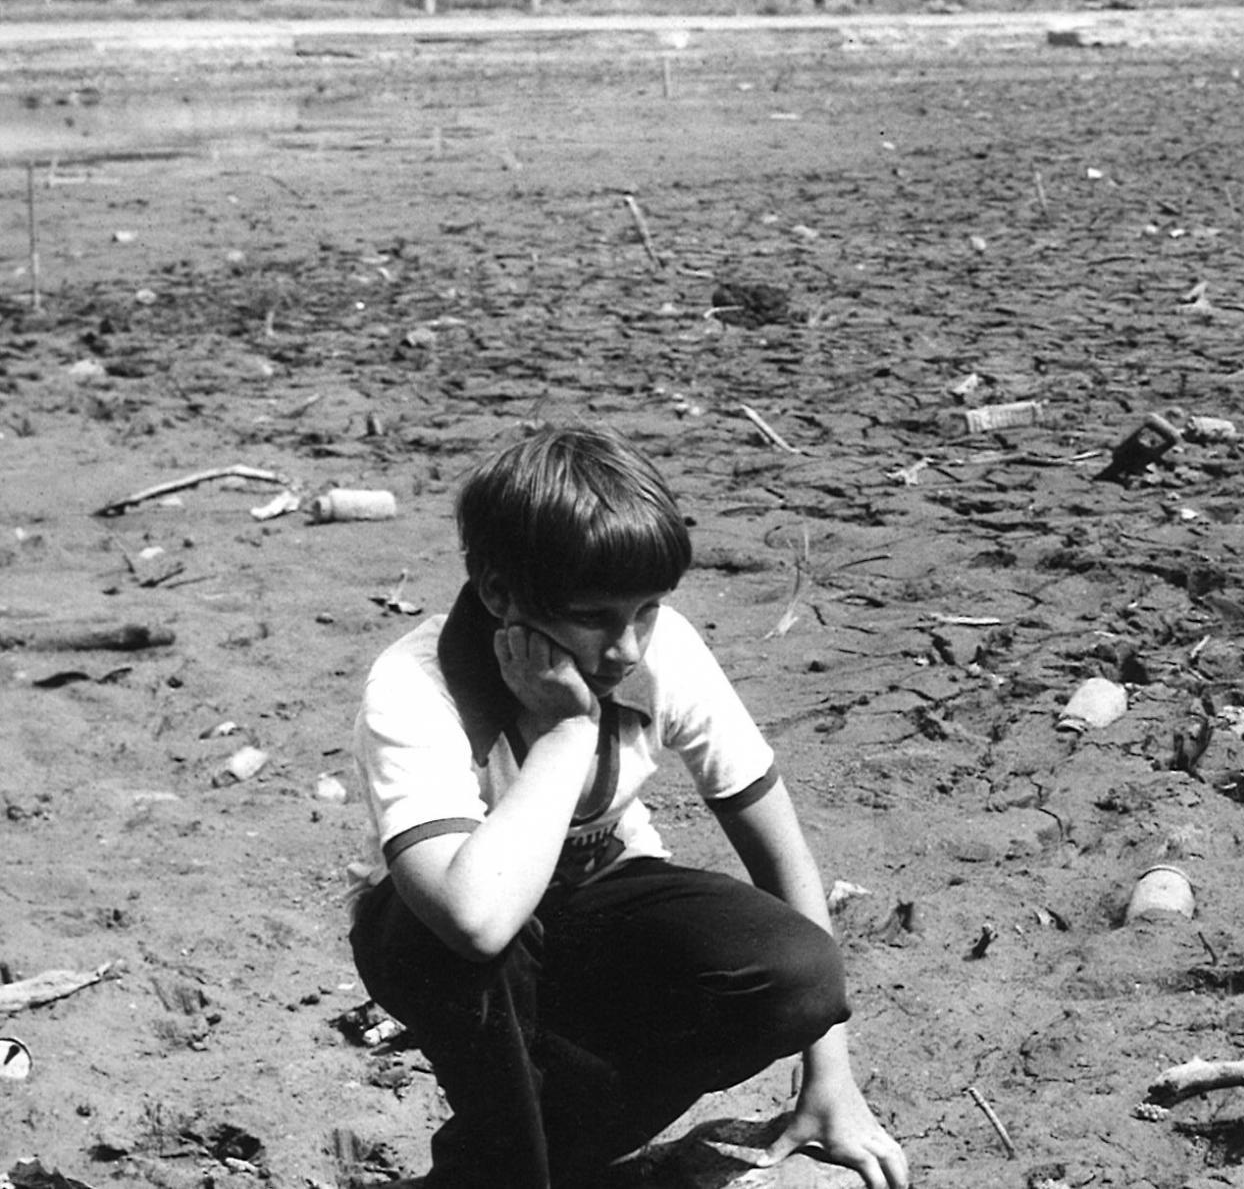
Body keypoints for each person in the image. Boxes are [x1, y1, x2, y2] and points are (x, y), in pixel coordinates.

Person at [347, 422, 909, 1189]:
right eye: (593, 616)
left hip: (601, 916)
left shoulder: (659, 649)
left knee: (800, 978)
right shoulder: (416, 686)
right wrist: (568, 733)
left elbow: (778, 851)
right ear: (500, 593)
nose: (627, 649)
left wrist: (830, 1081)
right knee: (478, 944)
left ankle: (500, 1167)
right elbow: (472, 918)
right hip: (453, 952)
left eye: (645, 609)